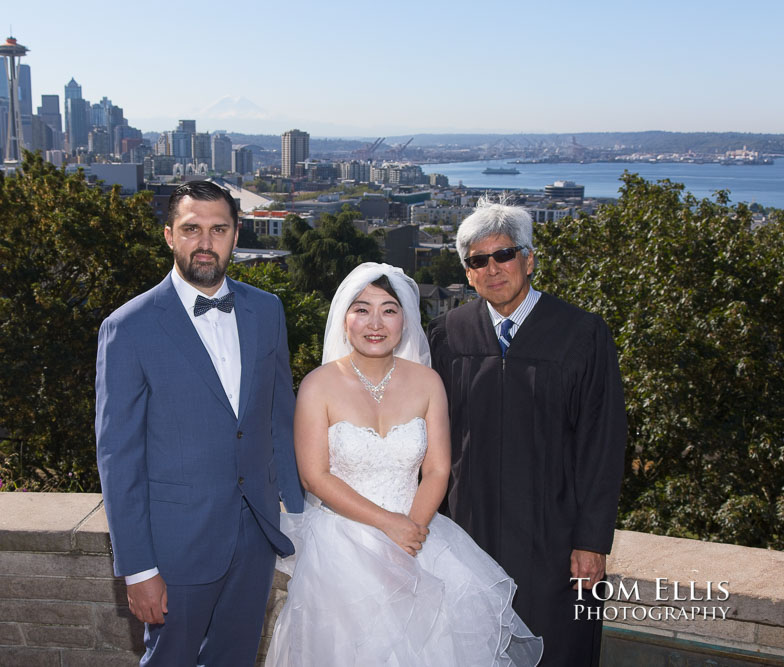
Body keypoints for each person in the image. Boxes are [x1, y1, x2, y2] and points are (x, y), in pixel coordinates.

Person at [266, 262, 542, 666]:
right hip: (342, 549)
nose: (375, 322)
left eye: (389, 309)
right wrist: (388, 525)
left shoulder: (427, 382)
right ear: (344, 319)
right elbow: (315, 475)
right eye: (362, 309)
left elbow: (437, 470)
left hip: (419, 536)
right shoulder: (317, 385)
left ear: (405, 319)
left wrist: (410, 533)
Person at [95, 180, 304, 666]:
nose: (205, 242)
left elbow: (278, 415)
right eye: (192, 229)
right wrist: (138, 568)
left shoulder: (266, 310)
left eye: (218, 229)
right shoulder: (127, 328)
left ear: (235, 235)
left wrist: (296, 512)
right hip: (175, 548)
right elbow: (117, 458)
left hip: (254, 537)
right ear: (170, 236)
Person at [428, 199, 627, 666]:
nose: (493, 268)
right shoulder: (449, 335)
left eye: (504, 255)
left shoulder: (581, 333)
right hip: (468, 533)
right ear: (467, 271)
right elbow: (431, 441)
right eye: (478, 260)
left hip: (555, 538)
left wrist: (592, 541)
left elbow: (603, 442)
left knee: (556, 649)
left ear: (529, 259)